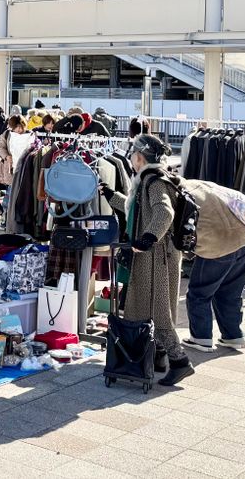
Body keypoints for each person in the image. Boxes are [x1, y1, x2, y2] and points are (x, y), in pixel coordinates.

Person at [100, 134, 192, 386]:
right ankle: (158, 358)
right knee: (148, 308)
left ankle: (179, 361)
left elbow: (164, 212)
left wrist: (148, 238)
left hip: (156, 257)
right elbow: (136, 210)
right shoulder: (149, 179)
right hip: (154, 256)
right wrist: (110, 195)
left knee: (157, 311)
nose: (130, 158)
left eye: (132, 154)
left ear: (139, 157)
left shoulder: (154, 182)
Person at [182, 179, 245, 354]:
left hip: (216, 247)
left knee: (199, 294)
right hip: (243, 241)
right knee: (230, 293)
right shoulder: (209, 186)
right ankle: (233, 336)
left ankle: (201, 338)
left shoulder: (182, 194)